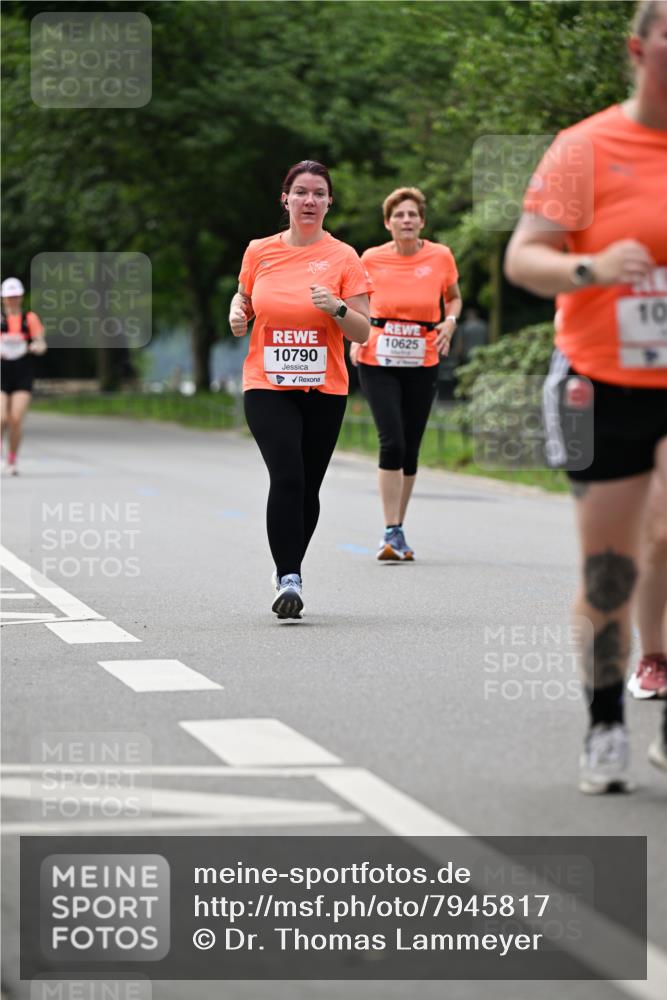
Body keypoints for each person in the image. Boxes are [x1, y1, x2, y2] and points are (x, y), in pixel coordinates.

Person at [504, 0, 667, 792]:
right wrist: (591, 269)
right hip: (603, 378)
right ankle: (605, 722)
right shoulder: (585, 148)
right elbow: (523, 257)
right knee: (610, 571)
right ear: (638, 47)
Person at [228, 160, 371, 619]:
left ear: (329, 203)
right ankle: (290, 576)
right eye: (301, 192)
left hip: (325, 387)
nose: (309, 200)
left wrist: (337, 308)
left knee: (308, 486)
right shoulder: (259, 251)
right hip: (266, 383)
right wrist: (237, 312)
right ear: (285, 199)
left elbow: (363, 332)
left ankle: (290, 566)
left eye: (319, 194)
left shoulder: (345, 257)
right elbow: (246, 298)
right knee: (287, 474)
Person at [350, 187, 461, 560]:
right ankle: (390, 529)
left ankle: (397, 527)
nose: (407, 220)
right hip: (377, 356)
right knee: (392, 442)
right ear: (387, 223)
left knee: (411, 448)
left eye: (413, 214)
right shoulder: (371, 258)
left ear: (422, 221)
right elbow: (358, 300)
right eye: (399, 215)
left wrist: (450, 320)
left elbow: (455, 296)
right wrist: (357, 332)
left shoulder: (440, 256)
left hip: (423, 357)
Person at [1, 276, 47, 475]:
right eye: (9, 297)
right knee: (1, 417)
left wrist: (37, 346)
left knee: (15, 418)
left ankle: (12, 459)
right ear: (3, 299)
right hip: (2, 370)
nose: (13, 300)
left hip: (22, 371)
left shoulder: (30, 319)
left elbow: (41, 343)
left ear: (21, 297)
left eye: (16, 296)